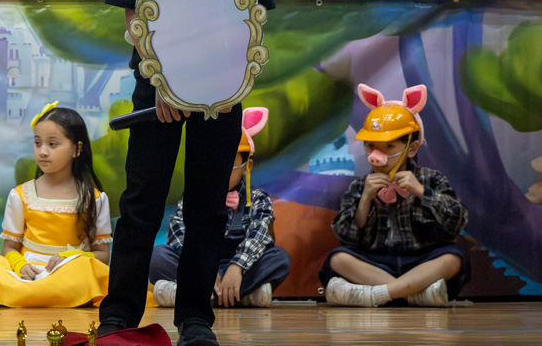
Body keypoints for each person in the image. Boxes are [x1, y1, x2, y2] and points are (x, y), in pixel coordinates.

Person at [98, 0, 275, 346]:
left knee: (207, 207)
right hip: (157, 93)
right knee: (140, 203)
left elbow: (251, 16)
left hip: (221, 95)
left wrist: (213, 82)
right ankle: (119, 315)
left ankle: (196, 319)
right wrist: (166, 83)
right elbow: (134, 17)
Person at [0, 103, 113, 307]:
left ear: (77, 149)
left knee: (86, 271)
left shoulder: (94, 199)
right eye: (37, 143)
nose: (42, 152)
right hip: (27, 273)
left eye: (52, 144)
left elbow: (102, 255)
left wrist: (72, 258)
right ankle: (35, 293)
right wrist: (20, 265)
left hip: (69, 274)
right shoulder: (21, 195)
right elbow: (10, 248)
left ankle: (26, 296)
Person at [321, 84, 469, 308]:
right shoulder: (360, 185)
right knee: (338, 258)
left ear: (412, 148)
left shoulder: (431, 179)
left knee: (454, 259)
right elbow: (347, 237)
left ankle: (379, 294)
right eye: (371, 146)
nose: (377, 155)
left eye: (389, 146)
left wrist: (421, 192)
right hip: (375, 262)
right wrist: (365, 199)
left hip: (422, 261)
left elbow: (457, 222)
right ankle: (414, 294)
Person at [149, 107, 290, 309]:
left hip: (240, 267)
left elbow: (259, 235)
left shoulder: (258, 198)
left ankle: (197, 294)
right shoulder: (194, 196)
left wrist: (237, 266)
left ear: (247, 167)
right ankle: (241, 295)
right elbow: (178, 233)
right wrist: (203, 267)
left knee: (279, 258)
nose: (219, 172)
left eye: (229, 165)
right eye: (213, 164)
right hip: (201, 265)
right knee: (158, 257)